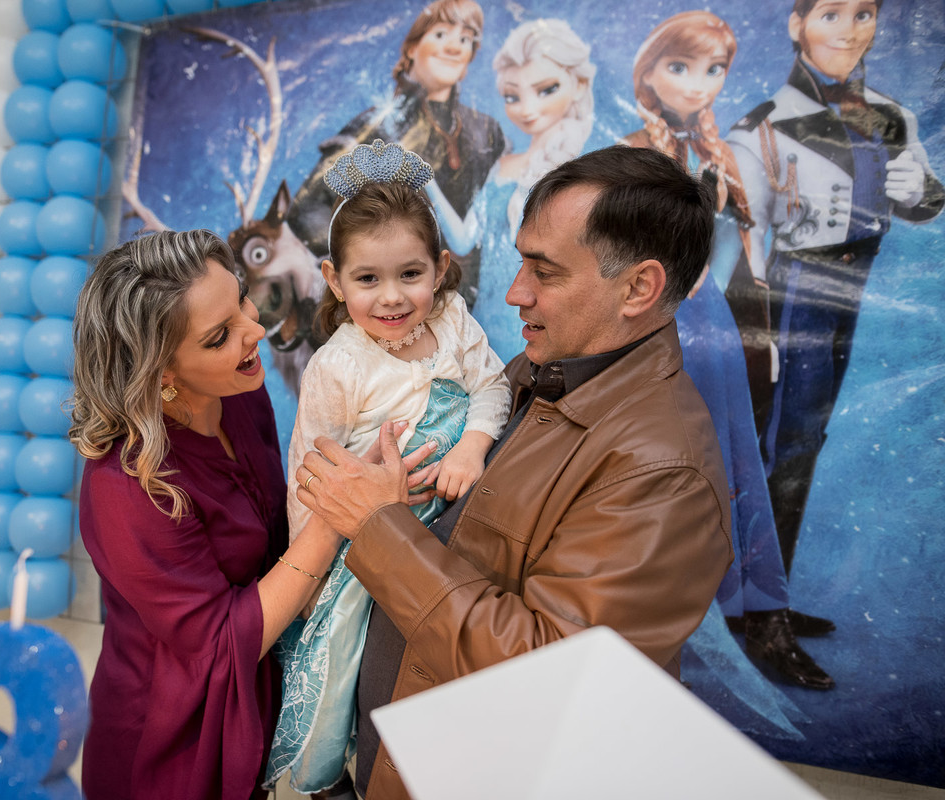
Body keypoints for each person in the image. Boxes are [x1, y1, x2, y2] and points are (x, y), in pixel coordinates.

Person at [294, 145, 735, 800]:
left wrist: (377, 526)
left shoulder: (662, 472)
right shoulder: (539, 371)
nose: (513, 292)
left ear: (638, 288)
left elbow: (553, 679)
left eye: (545, 272)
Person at [266, 140, 510, 799]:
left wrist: (471, 449)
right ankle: (333, 778)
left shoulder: (456, 322)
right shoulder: (337, 369)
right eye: (368, 280)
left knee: (436, 666)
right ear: (334, 280)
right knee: (350, 663)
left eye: (411, 274)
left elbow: (492, 389)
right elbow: (310, 477)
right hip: (363, 546)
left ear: (442, 269)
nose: (393, 297)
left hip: (453, 528)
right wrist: (310, 576)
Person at [69, 230, 346, 800]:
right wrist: (339, 520)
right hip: (167, 746)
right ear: (161, 372)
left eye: (242, 298)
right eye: (220, 337)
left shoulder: (240, 393)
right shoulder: (125, 486)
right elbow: (218, 642)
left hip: (250, 708)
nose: (256, 330)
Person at [623, 11, 834, 691]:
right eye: (681, 67)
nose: (700, 84)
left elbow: (745, 247)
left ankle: (757, 607)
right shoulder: (635, 155)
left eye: (714, 70)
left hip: (733, 321)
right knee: (694, 474)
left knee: (748, 465)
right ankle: (722, 613)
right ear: (650, 73)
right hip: (677, 329)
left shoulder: (718, 150)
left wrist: (763, 327)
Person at [725, 0, 943, 576]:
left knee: (806, 441)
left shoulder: (889, 116)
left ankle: (772, 595)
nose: (850, 30)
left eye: (863, 14)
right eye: (831, 14)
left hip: (854, 285)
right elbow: (743, 234)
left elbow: (922, 201)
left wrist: (921, 189)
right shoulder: (764, 125)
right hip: (794, 291)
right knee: (783, 444)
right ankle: (759, 605)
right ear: (798, 26)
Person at [286, 0, 506, 308]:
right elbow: (306, 210)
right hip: (390, 311)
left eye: (466, 39)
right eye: (441, 35)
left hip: (468, 309)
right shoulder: (375, 126)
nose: (455, 47)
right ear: (413, 48)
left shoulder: (487, 130)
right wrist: (373, 263)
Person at [428, 18, 596, 362]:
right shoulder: (503, 165)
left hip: (544, 317)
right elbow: (463, 240)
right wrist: (428, 183)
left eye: (546, 89)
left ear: (578, 85)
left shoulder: (582, 170)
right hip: (489, 316)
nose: (527, 108)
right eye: (512, 96)